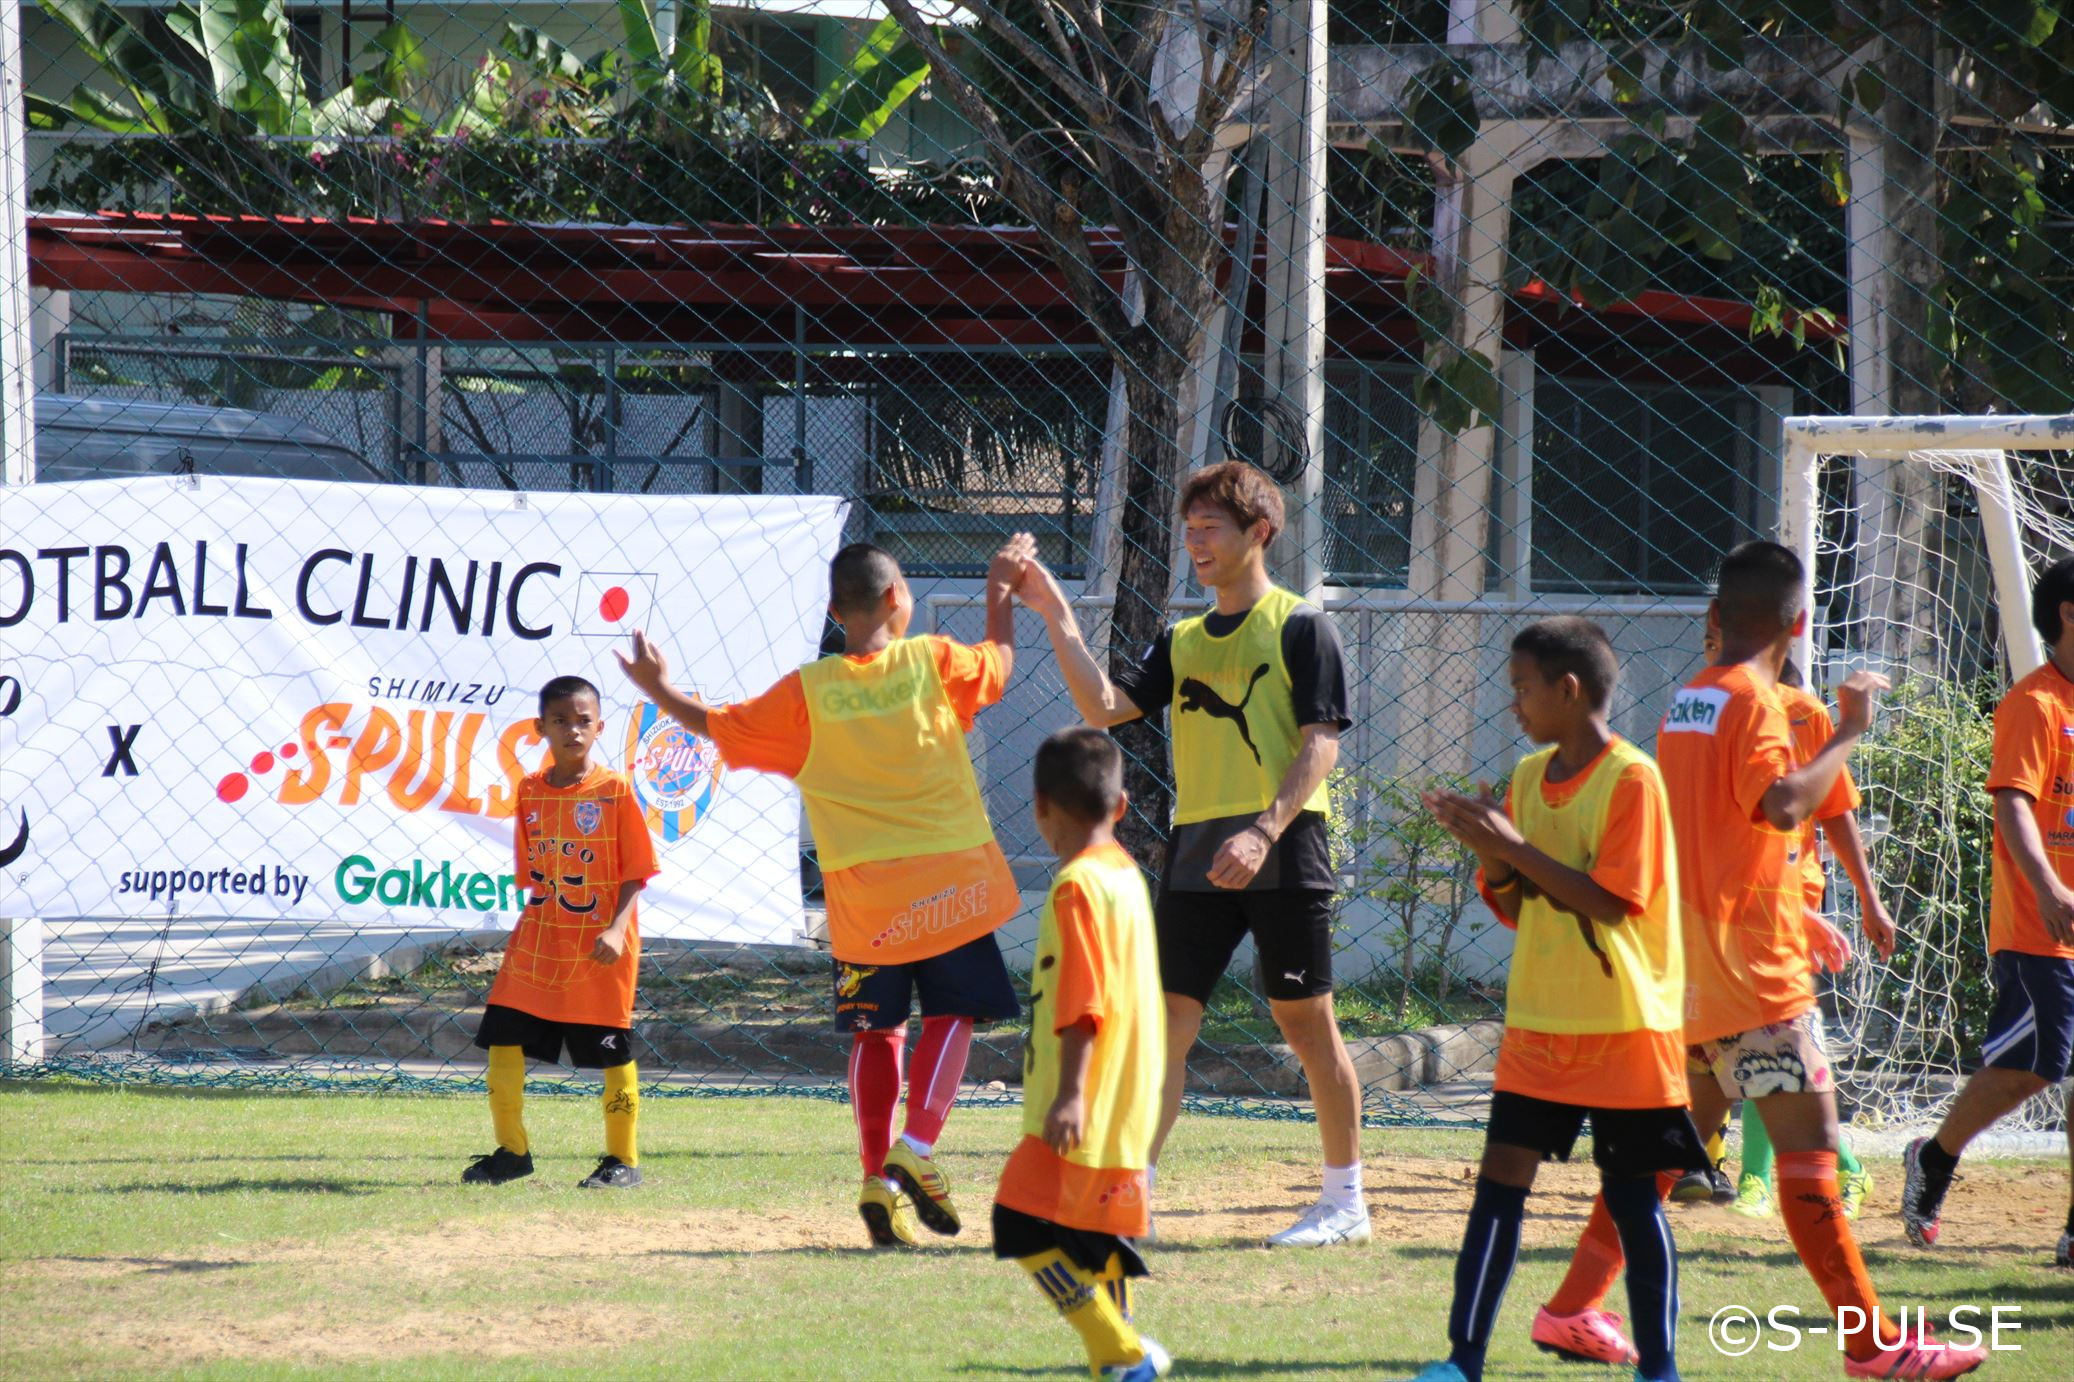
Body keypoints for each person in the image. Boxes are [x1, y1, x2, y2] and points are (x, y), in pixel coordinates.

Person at [1529, 541, 1985, 1380]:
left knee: (1665, 1157)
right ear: (1799, 622)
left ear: (1716, 616)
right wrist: (1848, 733)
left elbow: (1715, 833)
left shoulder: (1687, 699)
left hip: (1694, 969)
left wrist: (1795, 907)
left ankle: (1569, 1310)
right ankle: (1874, 1348)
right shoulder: (1757, 702)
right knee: (1811, 1157)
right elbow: (1779, 806)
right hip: (1754, 974)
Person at [617, 538, 1030, 1247]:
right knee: (953, 1014)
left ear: (835, 612)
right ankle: (918, 1148)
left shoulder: (805, 694)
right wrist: (999, 593)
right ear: (899, 597)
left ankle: (877, 1178)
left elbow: (719, 727)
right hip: (948, 879)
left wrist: (657, 689)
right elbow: (998, 666)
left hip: (862, 898)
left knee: (878, 1030)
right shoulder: (932, 658)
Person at [1013, 461, 1366, 1248]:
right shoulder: (1180, 639)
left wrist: (1265, 829)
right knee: (1164, 1024)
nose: (1195, 542)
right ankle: (1125, 1195)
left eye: (1211, 528)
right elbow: (1103, 707)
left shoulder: (1303, 626)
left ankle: (1345, 1203)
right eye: (1190, 530)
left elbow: (1321, 747)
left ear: (1260, 533)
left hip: (1283, 843)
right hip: (1198, 847)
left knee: (1305, 1023)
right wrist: (1054, 613)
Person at [1403, 618, 1704, 1382]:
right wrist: (1492, 856)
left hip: (1624, 1027)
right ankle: (1460, 1361)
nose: (1516, 706)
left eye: (1523, 689)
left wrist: (1511, 847)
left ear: (1569, 691)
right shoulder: (1530, 778)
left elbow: (1610, 903)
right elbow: (1519, 903)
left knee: (1634, 1200)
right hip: (1539, 1024)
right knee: (1499, 1183)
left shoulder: (1633, 779)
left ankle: (1659, 1369)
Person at [1668, 645, 1894, 1220]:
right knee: (1715, 1057)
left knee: (1771, 1056)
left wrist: (1863, 899)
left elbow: (1828, 806)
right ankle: (1702, 1166)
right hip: (1715, 910)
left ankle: (1754, 1179)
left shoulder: (1797, 709)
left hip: (1781, 902)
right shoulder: (1701, 701)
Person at [1902, 555, 2074, 1270]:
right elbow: (2012, 803)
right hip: (2044, 926)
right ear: (2069, 614)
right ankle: (1934, 1158)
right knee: (2037, 1065)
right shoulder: (2035, 704)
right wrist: (2047, 886)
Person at [995, 727, 1171, 1382]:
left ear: (1039, 806)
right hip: (1124, 1104)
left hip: (1081, 1106)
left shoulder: (1075, 887)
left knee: (1021, 1224)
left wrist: (1070, 1093)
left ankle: (1122, 1351)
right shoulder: (1125, 875)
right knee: (1099, 1247)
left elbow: (1084, 999)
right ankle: (1120, 1364)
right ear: (1121, 806)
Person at [465, 675, 659, 1189]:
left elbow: (637, 871)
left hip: (600, 943)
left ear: (599, 727)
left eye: (583, 721)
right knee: (503, 1036)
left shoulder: (614, 790)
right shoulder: (529, 790)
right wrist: (534, 924)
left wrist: (618, 928)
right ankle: (512, 1152)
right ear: (540, 727)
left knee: (611, 1048)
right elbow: (536, 875)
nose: (573, 730)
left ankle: (624, 1161)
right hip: (541, 937)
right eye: (560, 721)